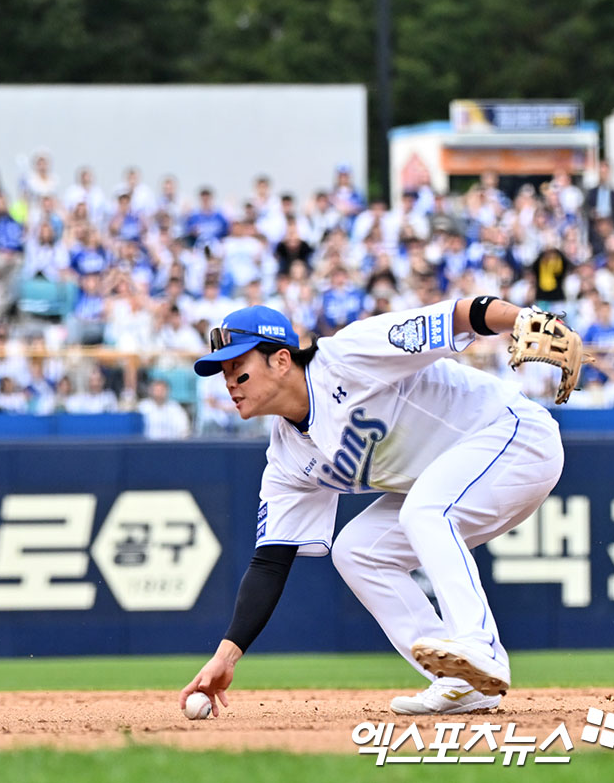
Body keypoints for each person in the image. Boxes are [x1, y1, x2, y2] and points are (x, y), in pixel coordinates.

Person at [180, 297, 567, 718]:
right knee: (358, 551)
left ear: (281, 360)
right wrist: (226, 655)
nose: (229, 381)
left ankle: (478, 645)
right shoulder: (287, 459)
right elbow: (270, 562)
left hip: (514, 435)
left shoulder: (348, 356)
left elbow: (456, 315)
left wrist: (521, 319)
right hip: (459, 474)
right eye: (222, 371)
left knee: (424, 510)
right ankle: (463, 682)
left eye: (238, 365)